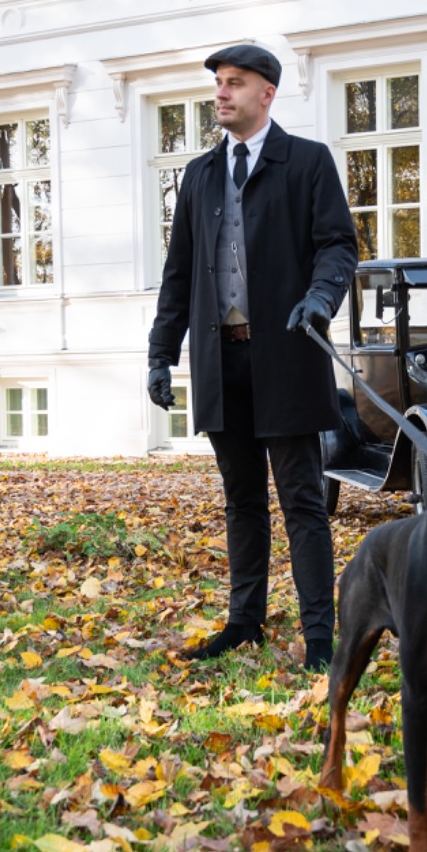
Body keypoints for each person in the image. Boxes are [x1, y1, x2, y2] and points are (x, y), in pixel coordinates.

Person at [148, 44, 358, 672]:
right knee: (241, 499)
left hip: (289, 357)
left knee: (302, 499)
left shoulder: (309, 163)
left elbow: (337, 247)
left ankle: (320, 635)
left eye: (234, 84)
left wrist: (319, 299)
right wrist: (161, 354)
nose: (221, 94)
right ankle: (245, 623)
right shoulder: (201, 175)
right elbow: (179, 273)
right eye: (218, 84)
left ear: (266, 93)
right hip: (221, 362)